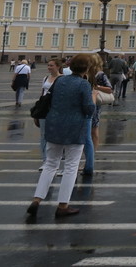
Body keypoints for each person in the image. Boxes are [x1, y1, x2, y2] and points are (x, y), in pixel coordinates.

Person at [27, 53, 95, 218]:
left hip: (54, 125)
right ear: (86, 68)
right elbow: (88, 109)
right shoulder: (83, 84)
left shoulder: (59, 80)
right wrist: (93, 99)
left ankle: (36, 200)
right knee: (71, 166)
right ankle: (63, 205)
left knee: (50, 164)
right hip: (74, 128)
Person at [37, 59, 64, 168]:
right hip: (44, 110)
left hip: (57, 110)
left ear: (58, 66)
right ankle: (45, 160)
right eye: (48, 65)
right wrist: (38, 111)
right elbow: (42, 94)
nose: (49, 67)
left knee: (56, 135)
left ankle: (55, 160)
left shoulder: (63, 79)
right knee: (43, 135)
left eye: (51, 65)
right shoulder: (45, 78)